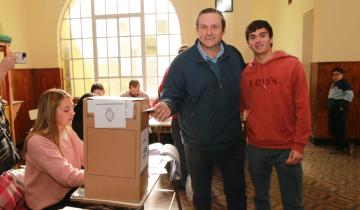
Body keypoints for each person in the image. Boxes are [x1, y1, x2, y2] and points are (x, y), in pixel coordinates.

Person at [152, 8, 247, 210]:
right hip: (197, 145)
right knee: (201, 196)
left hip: (231, 142)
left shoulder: (234, 56)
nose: (209, 32)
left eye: (215, 27)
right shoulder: (182, 63)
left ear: (223, 30)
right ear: (197, 29)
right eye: (204, 27)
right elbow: (171, 94)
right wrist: (167, 104)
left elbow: (248, 85)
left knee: (237, 194)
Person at [240, 20, 311, 210]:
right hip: (256, 147)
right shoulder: (246, 74)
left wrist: (299, 144)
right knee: (260, 199)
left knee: (292, 201)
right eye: (252, 37)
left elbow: (303, 108)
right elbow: (243, 105)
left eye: (262, 35)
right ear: (248, 43)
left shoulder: (292, 65)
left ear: (271, 38)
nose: (258, 40)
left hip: (287, 146)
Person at [23, 89, 84, 210]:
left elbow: (86, 156)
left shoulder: (67, 129)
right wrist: (101, 175)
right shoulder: (37, 142)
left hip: (68, 193)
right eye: (67, 110)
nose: (73, 113)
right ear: (50, 113)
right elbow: (68, 177)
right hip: (47, 204)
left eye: (73, 107)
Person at [158, 44, 189, 190]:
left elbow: (161, 92)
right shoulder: (191, 69)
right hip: (187, 120)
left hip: (180, 119)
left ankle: (184, 181)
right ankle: (188, 181)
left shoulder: (171, 69)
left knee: (182, 151)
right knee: (187, 151)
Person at [328, 67, 354, 153]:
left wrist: (342, 106)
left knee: (339, 128)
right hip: (332, 109)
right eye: (333, 75)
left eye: (337, 74)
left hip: (340, 109)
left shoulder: (344, 83)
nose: (335, 76)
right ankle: (345, 145)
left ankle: (342, 147)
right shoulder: (334, 83)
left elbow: (350, 94)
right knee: (332, 128)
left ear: (342, 74)